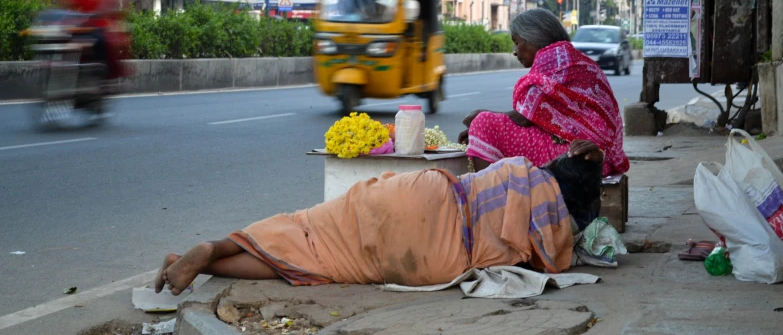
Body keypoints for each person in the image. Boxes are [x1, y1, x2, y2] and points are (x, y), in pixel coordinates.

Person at [155, 141, 605, 295]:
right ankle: (203, 259)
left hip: (424, 193)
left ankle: (206, 253)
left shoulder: (520, 170)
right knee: (320, 263)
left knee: (305, 227)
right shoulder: (556, 220)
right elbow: (550, 262)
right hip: (440, 254)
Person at [458, 9, 629, 177]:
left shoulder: (552, 59)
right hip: (597, 157)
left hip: (576, 157)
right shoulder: (575, 58)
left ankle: (491, 198)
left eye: (517, 42)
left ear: (533, 38)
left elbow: (523, 118)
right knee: (487, 127)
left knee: (484, 123)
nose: (515, 51)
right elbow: (542, 118)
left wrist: (479, 118)